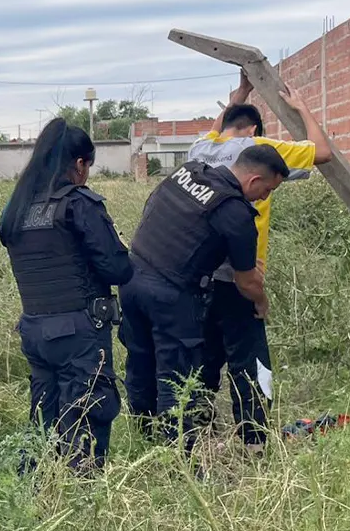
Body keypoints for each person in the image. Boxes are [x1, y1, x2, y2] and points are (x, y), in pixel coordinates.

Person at [188, 71, 332, 453]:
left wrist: (240, 94)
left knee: (205, 357)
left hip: (198, 273)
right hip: (240, 273)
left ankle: (197, 432)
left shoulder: (200, 150)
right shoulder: (257, 150)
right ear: (253, 130)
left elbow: (218, 132)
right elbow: (322, 152)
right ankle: (254, 441)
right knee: (250, 361)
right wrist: (303, 111)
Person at [119, 144, 289, 455]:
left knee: (141, 363)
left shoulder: (188, 173)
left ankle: (143, 439)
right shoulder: (236, 213)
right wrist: (262, 302)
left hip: (131, 279)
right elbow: (246, 280)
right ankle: (179, 459)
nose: (264, 198)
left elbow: (152, 209)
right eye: (267, 190)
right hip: (170, 296)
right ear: (253, 181)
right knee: (176, 377)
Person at [0, 118, 133, 473]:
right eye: (88, 166)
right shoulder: (78, 204)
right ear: (78, 164)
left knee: (43, 416)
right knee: (87, 417)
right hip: (79, 333)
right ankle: (80, 502)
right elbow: (119, 269)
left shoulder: (18, 209)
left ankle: (33, 490)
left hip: (35, 331)